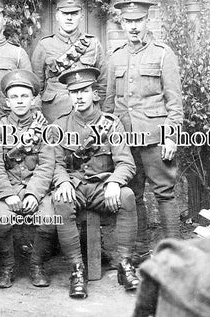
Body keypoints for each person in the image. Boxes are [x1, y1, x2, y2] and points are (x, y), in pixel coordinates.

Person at [50, 67, 139, 298]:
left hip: (102, 187)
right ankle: (76, 270)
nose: (79, 97)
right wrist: (63, 182)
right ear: (68, 96)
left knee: (127, 196)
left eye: (84, 90)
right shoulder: (60, 125)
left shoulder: (111, 124)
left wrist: (115, 183)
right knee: (60, 201)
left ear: (95, 94)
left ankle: (125, 264)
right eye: (74, 92)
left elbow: (126, 163)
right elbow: (56, 163)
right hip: (76, 187)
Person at [106, 0, 183, 264]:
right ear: (122, 24)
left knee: (164, 193)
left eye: (138, 21)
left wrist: (172, 134)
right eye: (128, 22)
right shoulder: (115, 56)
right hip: (125, 140)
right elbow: (108, 102)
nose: (133, 27)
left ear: (147, 21)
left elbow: (174, 101)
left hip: (155, 136)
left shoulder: (163, 54)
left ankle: (173, 254)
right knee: (133, 195)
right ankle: (140, 250)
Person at [0, 69, 56, 289]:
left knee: (48, 220)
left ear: (33, 99)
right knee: (1, 222)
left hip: (36, 190)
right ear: (7, 101)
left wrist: (34, 193)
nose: (20, 101)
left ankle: (36, 265)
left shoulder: (44, 128)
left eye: (24, 96)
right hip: (8, 191)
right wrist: (7, 194)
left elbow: (46, 165)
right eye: (14, 97)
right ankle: (7, 266)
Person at [31, 0, 108, 123]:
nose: (69, 18)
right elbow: (35, 86)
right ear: (57, 16)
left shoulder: (93, 44)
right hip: (54, 113)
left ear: (81, 16)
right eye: (65, 14)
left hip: (87, 114)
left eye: (74, 13)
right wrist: (36, 110)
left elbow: (103, 84)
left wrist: (100, 112)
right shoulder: (44, 45)